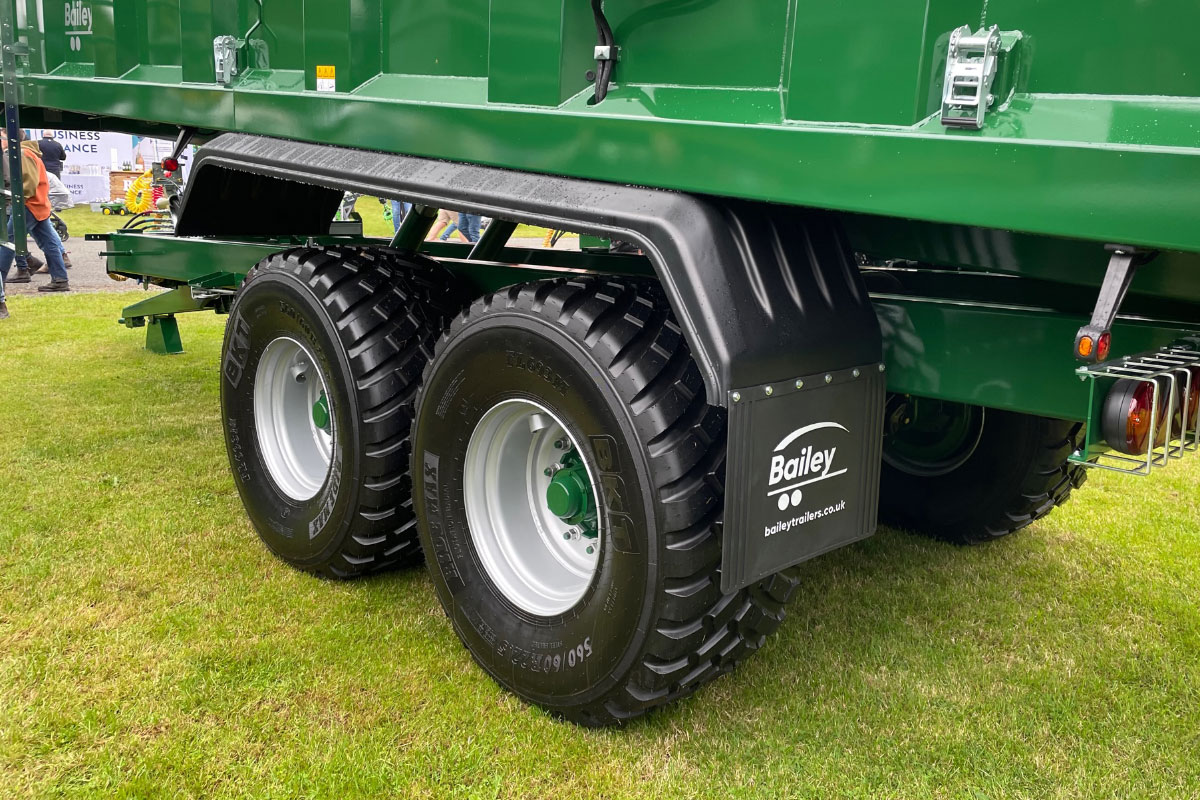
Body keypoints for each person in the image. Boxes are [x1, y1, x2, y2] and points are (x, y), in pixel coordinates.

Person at [1, 130, 70, 292]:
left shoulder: (22, 154)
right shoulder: (25, 152)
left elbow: (29, 184)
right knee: (49, 243)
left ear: (8, 138)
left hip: (27, 205)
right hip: (37, 204)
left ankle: (1, 283)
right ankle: (60, 279)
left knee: (8, 242)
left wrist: (13, 198)